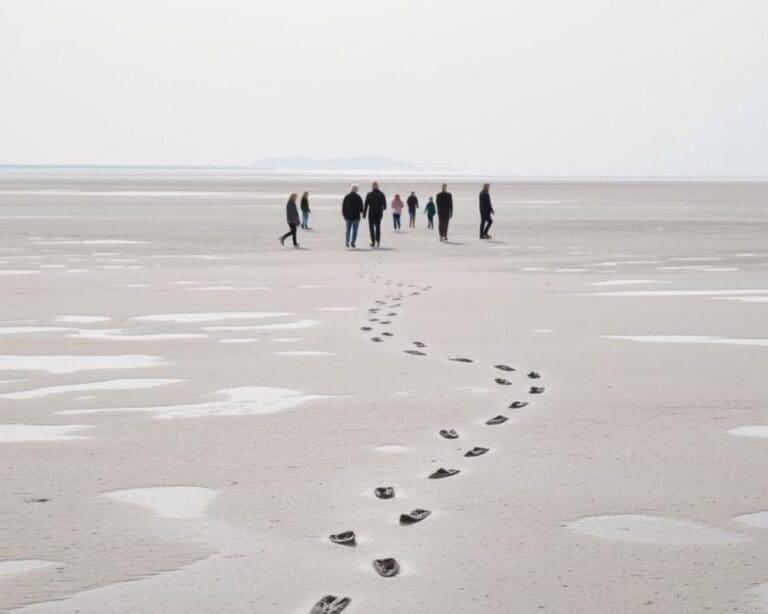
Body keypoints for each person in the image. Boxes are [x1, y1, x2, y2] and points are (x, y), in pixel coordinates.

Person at [363, 181, 387, 247]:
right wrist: (382, 207)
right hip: (379, 213)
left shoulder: (369, 194)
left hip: (372, 213)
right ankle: (377, 241)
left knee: (371, 228)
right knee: (378, 227)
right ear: (378, 186)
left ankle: (373, 242)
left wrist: (364, 214)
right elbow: (385, 206)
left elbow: (366, 204)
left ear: (372, 186)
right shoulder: (381, 194)